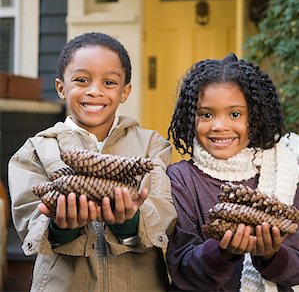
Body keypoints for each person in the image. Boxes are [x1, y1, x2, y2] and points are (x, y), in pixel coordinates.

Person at [8, 32, 177, 292]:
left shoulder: (151, 147)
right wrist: (61, 228)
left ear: (125, 91)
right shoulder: (35, 151)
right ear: (61, 88)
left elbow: (163, 212)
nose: (95, 91)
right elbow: (29, 222)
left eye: (109, 82)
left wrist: (130, 223)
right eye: (82, 80)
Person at [166, 53, 299, 292]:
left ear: (256, 117)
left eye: (235, 114)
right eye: (206, 115)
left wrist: (271, 255)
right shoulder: (180, 179)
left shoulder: (284, 171)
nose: (219, 126)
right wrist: (222, 252)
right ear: (191, 118)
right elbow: (181, 269)